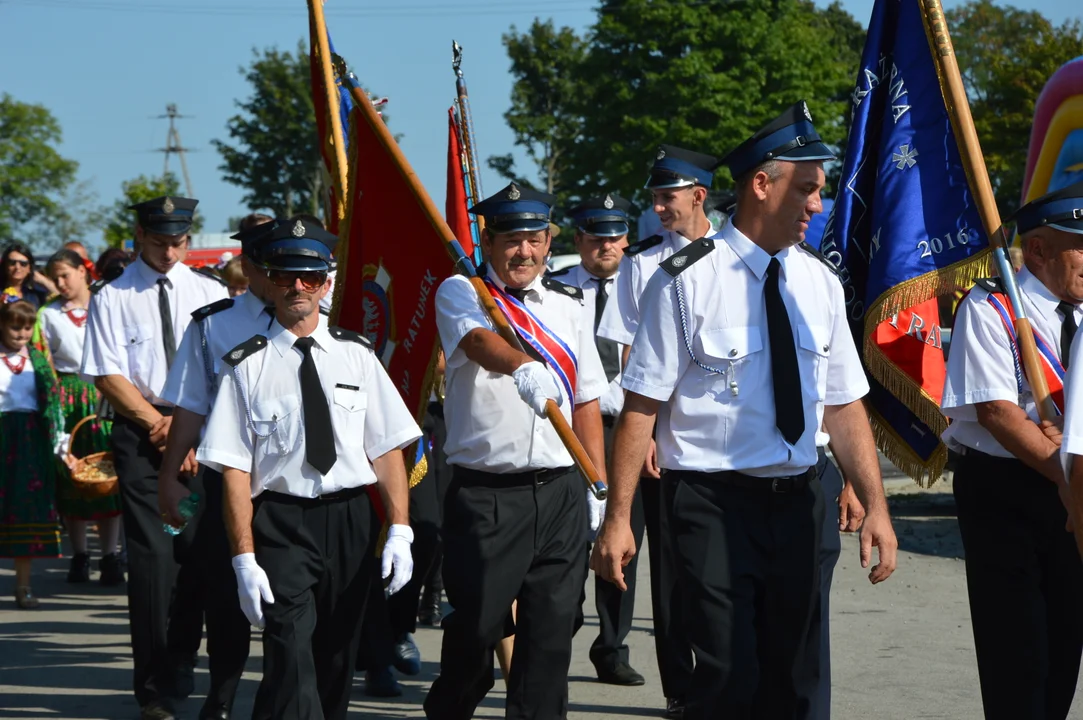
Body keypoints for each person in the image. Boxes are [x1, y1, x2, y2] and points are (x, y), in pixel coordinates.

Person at [592, 101, 898, 719]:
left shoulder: (820, 283)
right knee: (730, 679)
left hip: (800, 504)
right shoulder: (683, 280)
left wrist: (877, 506)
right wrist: (618, 518)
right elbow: (641, 408)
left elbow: (842, 406)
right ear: (762, 184)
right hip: (711, 505)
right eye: (807, 189)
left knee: (800, 682)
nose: (818, 204)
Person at [196, 217, 419, 720]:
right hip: (279, 521)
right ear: (268, 280)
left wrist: (400, 529)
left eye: (311, 277)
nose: (297, 287)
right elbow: (233, 469)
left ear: (327, 283)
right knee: (291, 652)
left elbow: (386, 449)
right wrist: (243, 558)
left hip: (350, 522)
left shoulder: (357, 356)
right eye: (284, 275)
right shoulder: (244, 364)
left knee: (336, 659)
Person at [424, 183, 608, 720]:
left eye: (534, 240)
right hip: (487, 497)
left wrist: (596, 484)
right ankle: (455, 700)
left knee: (551, 634)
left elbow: (587, 400)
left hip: (559, 491)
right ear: (489, 240)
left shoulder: (569, 306)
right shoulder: (463, 292)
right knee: (477, 627)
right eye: (511, 240)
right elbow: (478, 343)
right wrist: (521, 365)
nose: (523, 252)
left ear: (550, 243)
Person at [81, 195, 229, 720]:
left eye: (179, 242)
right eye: (160, 241)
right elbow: (107, 374)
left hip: (202, 432)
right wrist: (161, 427)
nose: (170, 252)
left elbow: (219, 370)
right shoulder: (113, 296)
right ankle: (154, 688)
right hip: (144, 435)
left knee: (196, 552)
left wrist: (188, 431)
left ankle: (183, 658)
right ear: (139, 235)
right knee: (152, 561)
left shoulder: (209, 292)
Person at [595, 145, 720, 717]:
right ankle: (679, 686)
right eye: (654, 197)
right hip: (659, 441)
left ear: (699, 194)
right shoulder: (642, 264)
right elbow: (628, 359)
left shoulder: (734, 256)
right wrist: (644, 437)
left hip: (722, 439)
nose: (657, 207)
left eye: (666, 196)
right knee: (668, 570)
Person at [952, 179, 1083, 719]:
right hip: (1008, 494)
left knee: (1063, 654)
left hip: (1073, 490)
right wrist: (1067, 473)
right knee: (1018, 658)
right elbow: (998, 413)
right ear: (1038, 250)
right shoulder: (990, 308)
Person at [155, 213, 277, 720]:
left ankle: (281, 700)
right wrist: (166, 478)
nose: (286, 275)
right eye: (270, 263)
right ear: (247, 265)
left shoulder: (326, 319)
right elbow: (188, 408)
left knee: (289, 605)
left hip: (296, 485)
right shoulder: (214, 324)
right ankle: (221, 698)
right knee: (225, 597)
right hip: (225, 477)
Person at [551, 192, 646, 686]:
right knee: (567, 541)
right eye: (594, 235)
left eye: (613, 235)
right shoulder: (556, 289)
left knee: (621, 540)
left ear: (626, 238)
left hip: (631, 428)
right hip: (572, 431)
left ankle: (611, 647)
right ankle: (558, 630)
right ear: (578, 239)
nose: (605, 244)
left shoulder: (646, 281)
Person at [37, 249, 123, 585]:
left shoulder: (106, 304)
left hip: (107, 390)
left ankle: (111, 555)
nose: (60, 283)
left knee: (108, 471)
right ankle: (80, 555)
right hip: (68, 394)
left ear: (83, 272)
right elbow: (44, 362)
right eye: (55, 278)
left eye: (65, 275)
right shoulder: (48, 314)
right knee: (72, 473)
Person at [0, 300, 66, 608]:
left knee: (24, 510)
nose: (21, 334)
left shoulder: (38, 359)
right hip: (2, 434)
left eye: (27, 328)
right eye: (15, 327)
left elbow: (52, 405)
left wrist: (59, 444)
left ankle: (23, 586)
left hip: (30, 442)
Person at [2, 243, 51, 309]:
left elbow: (60, 297)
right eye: (12, 263)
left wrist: (42, 280)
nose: (17, 267)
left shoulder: (36, 295)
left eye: (23, 263)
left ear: (29, 268)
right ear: (5, 265)